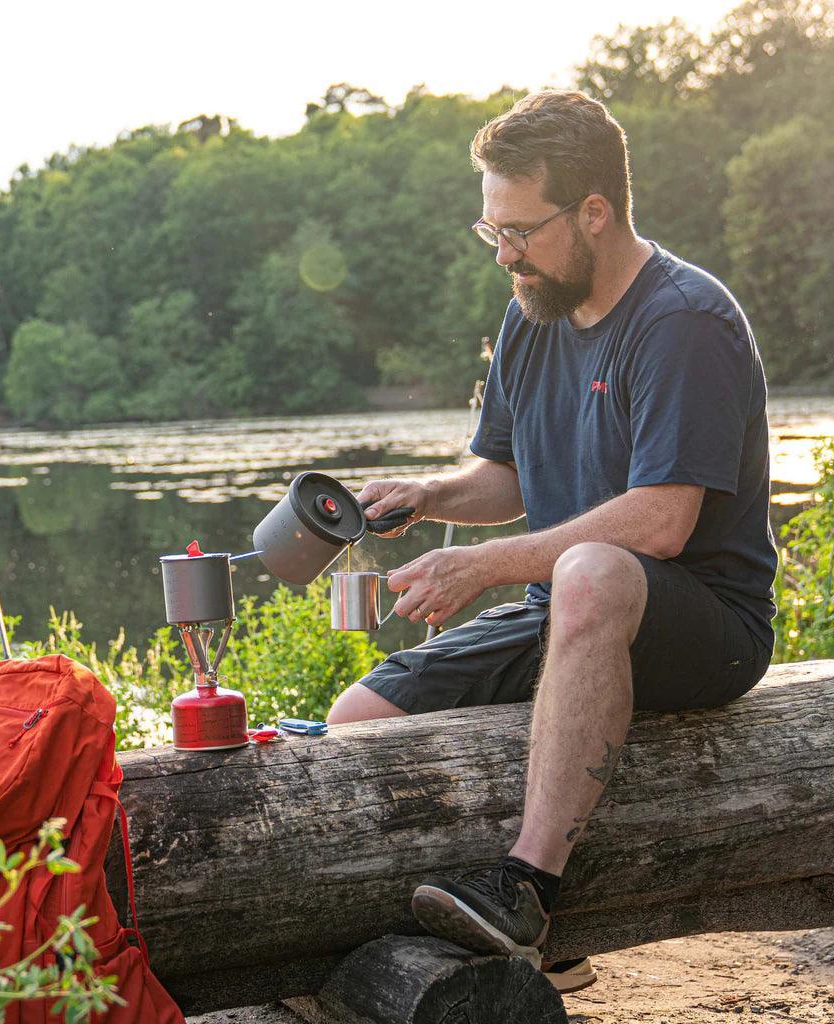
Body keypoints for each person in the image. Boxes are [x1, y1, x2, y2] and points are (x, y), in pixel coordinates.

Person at [327, 90, 777, 994]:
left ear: (595, 212)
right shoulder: (533, 311)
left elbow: (661, 521)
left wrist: (480, 565)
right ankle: (494, 943)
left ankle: (528, 889)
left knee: (593, 571)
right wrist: (428, 494)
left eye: (521, 230)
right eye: (489, 230)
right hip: (569, 613)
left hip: (706, 626)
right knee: (354, 724)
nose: (504, 253)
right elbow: (512, 477)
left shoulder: (680, 320)